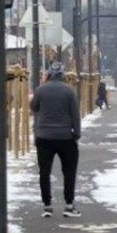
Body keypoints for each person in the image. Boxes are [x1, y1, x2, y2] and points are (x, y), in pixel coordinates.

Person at [31, 62, 82, 218]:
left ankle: (47, 206)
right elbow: (75, 114)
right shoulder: (69, 91)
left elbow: (33, 107)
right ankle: (69, 204)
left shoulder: (40, 90)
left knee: (44, 172)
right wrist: (76, 133)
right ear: (63, 75)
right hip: (66, 137)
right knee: (69, 172)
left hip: (44, 137)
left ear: (49, 75)